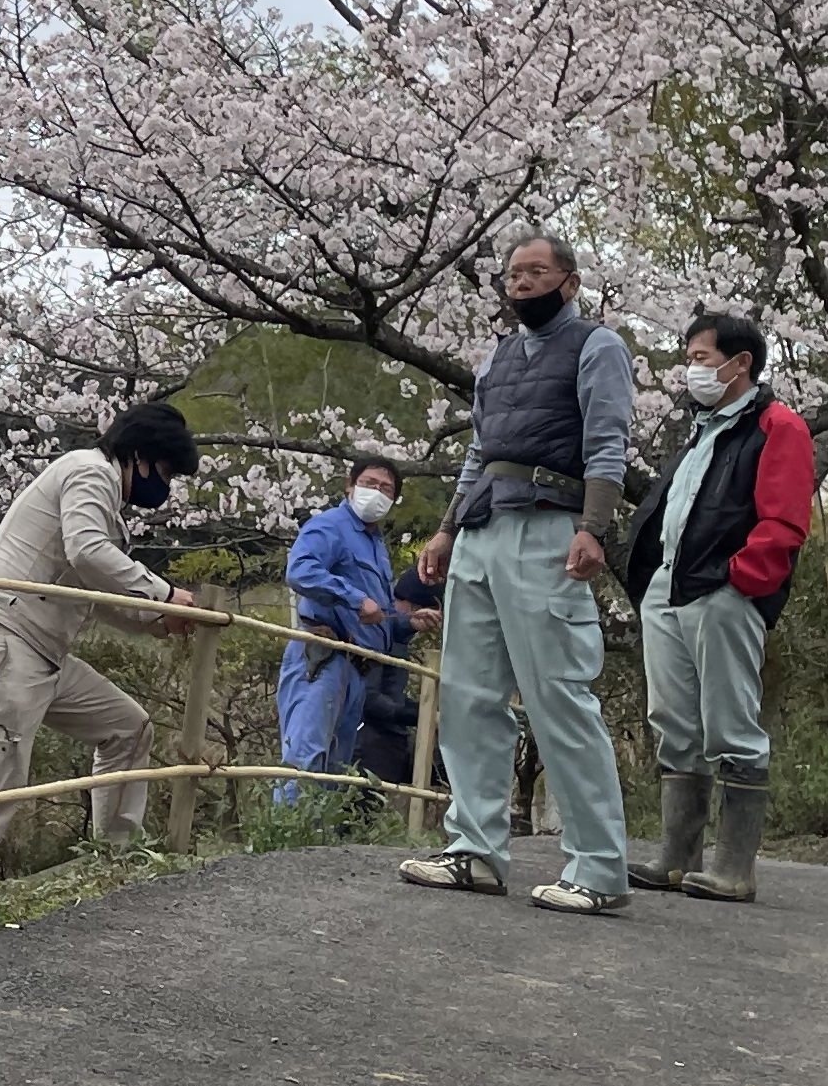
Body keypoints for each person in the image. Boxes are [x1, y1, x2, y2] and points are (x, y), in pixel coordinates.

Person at [399, 232, 636, 912]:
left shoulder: (598, 346)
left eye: (537, 271)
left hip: (549, 524)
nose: (523, 282)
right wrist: (446, 528)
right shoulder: (498, 357)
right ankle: (474, 849)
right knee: (470, 696)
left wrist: (594, 526)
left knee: (558, 693)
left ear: (570, 280)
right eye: (513, 274)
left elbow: (608, 438)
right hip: (481, 526)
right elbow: (479, 451)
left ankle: (597, 866)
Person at [0, 400, 205, 891]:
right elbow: (87, 551)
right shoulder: (89, 471)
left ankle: (115, 863)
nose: (163, 486)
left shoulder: (100, 495)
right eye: (163, 471)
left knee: (129, 729)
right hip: (2, 645)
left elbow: (90, 589)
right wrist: (164, 595)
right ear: (138, 455)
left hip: (39, 653)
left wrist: (156, 620)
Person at [614, 313, 814, 901]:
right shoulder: (703, 430)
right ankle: (677, 857)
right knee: (673, 720)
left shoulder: (779, 426)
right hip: (670, 587)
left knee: (731, 723)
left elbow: (782, 521)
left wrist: (738, 580)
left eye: (701, 357)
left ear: (741, 362)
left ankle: (735, 868)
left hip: (723, 591)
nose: (691, 368)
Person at [273, 453, 435, 796]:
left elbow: (381, 616)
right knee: (305, 757)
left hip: (358, 668)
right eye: (370, 484)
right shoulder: (328, 525)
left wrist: (409, 623)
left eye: (386, 489)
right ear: (351, 484)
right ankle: (280, 844)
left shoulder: (376, 544)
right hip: (323, 654)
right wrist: (353, 597)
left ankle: (318, 845)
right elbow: (300, 571)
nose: (377, 493)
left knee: (337, 767)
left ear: (393, 500)